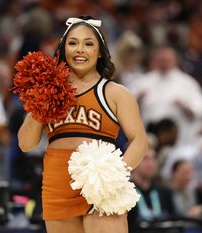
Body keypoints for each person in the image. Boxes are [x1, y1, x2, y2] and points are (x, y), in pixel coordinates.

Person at [18, 16, 148, 233]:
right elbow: (25, 143)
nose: (80, 50)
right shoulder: (48, 94)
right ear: (63, 50)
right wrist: (41, 98)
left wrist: (114, 174)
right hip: (57, 184)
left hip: (100, 185)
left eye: (88, 44)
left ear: (100, 52)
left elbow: (140, 142)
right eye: (73, 43)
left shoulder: (114, 93)